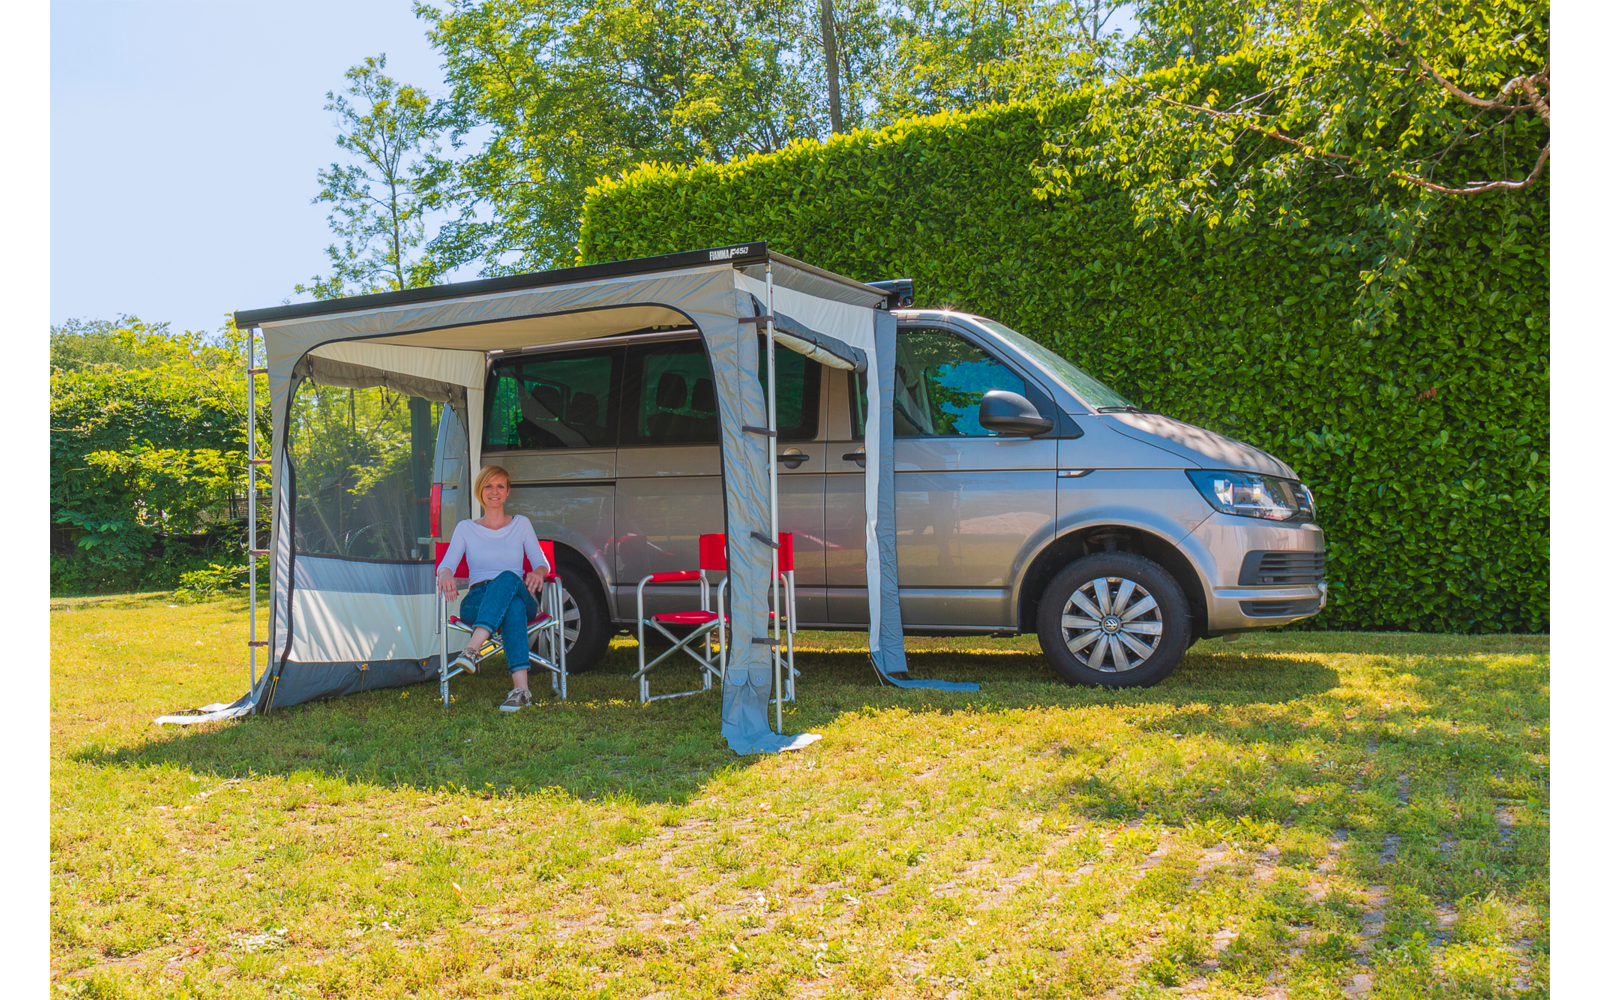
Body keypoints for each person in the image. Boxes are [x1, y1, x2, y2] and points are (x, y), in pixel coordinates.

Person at [436, 465, 550, 713]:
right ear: (480, 490)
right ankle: (521, 691)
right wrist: (445, 574)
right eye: (488, 485)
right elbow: (446, 566)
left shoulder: (521, 524)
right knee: (513, 607)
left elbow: (542, 563)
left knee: (509, 579)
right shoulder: (466, 528)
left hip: (517, 589)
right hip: (478, 600)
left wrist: (538, 572)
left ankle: (472, 649)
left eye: (500, 486)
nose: (494, 491)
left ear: (508, 492)